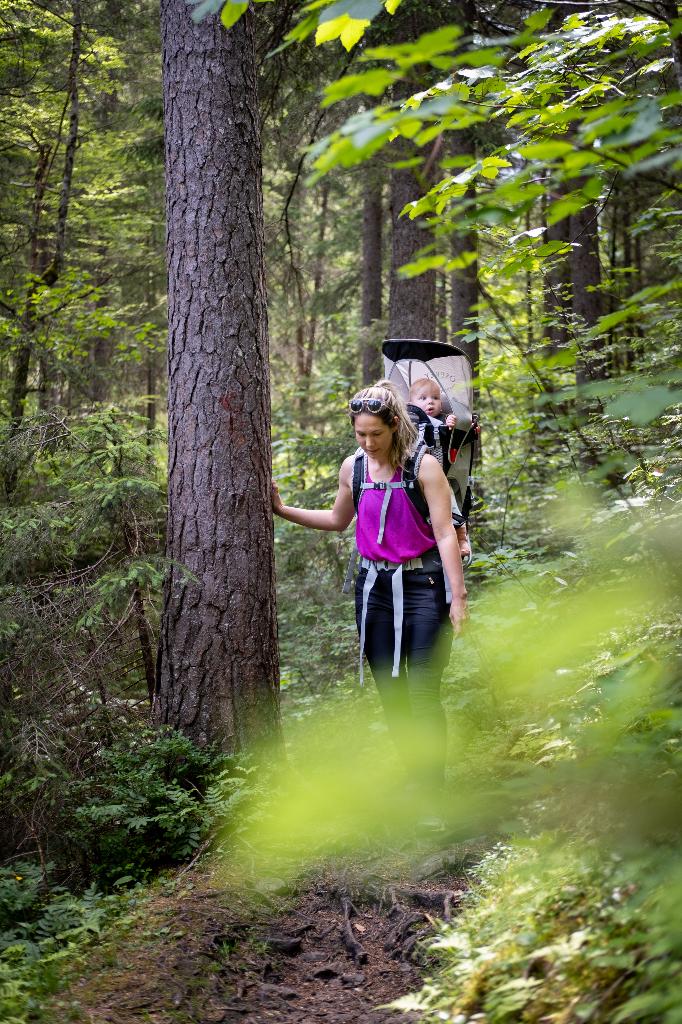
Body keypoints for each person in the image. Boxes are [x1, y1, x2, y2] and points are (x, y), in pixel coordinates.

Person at [271, 380, 468, 798]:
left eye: (376, 434)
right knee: (391, 692)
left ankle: (433, 792)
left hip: (425, 586)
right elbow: (337, 520)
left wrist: (458, 597)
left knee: (422, 692)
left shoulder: (424, 466)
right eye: (360, 434)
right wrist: (282, 510)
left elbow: (445, 533)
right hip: (374, 589)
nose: (368, 442)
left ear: (395, 424)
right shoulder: (354, 468)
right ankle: (415, 777)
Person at [407, 377, 471, 561]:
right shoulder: (410, 422)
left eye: (435, 398)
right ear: (411, 403)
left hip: (440, 476)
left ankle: (461, 538)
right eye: (423, 398)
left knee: (450, 502)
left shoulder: (444, 420)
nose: (430, 402)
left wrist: (450, 426)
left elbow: (456, 438)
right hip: (415, 477)